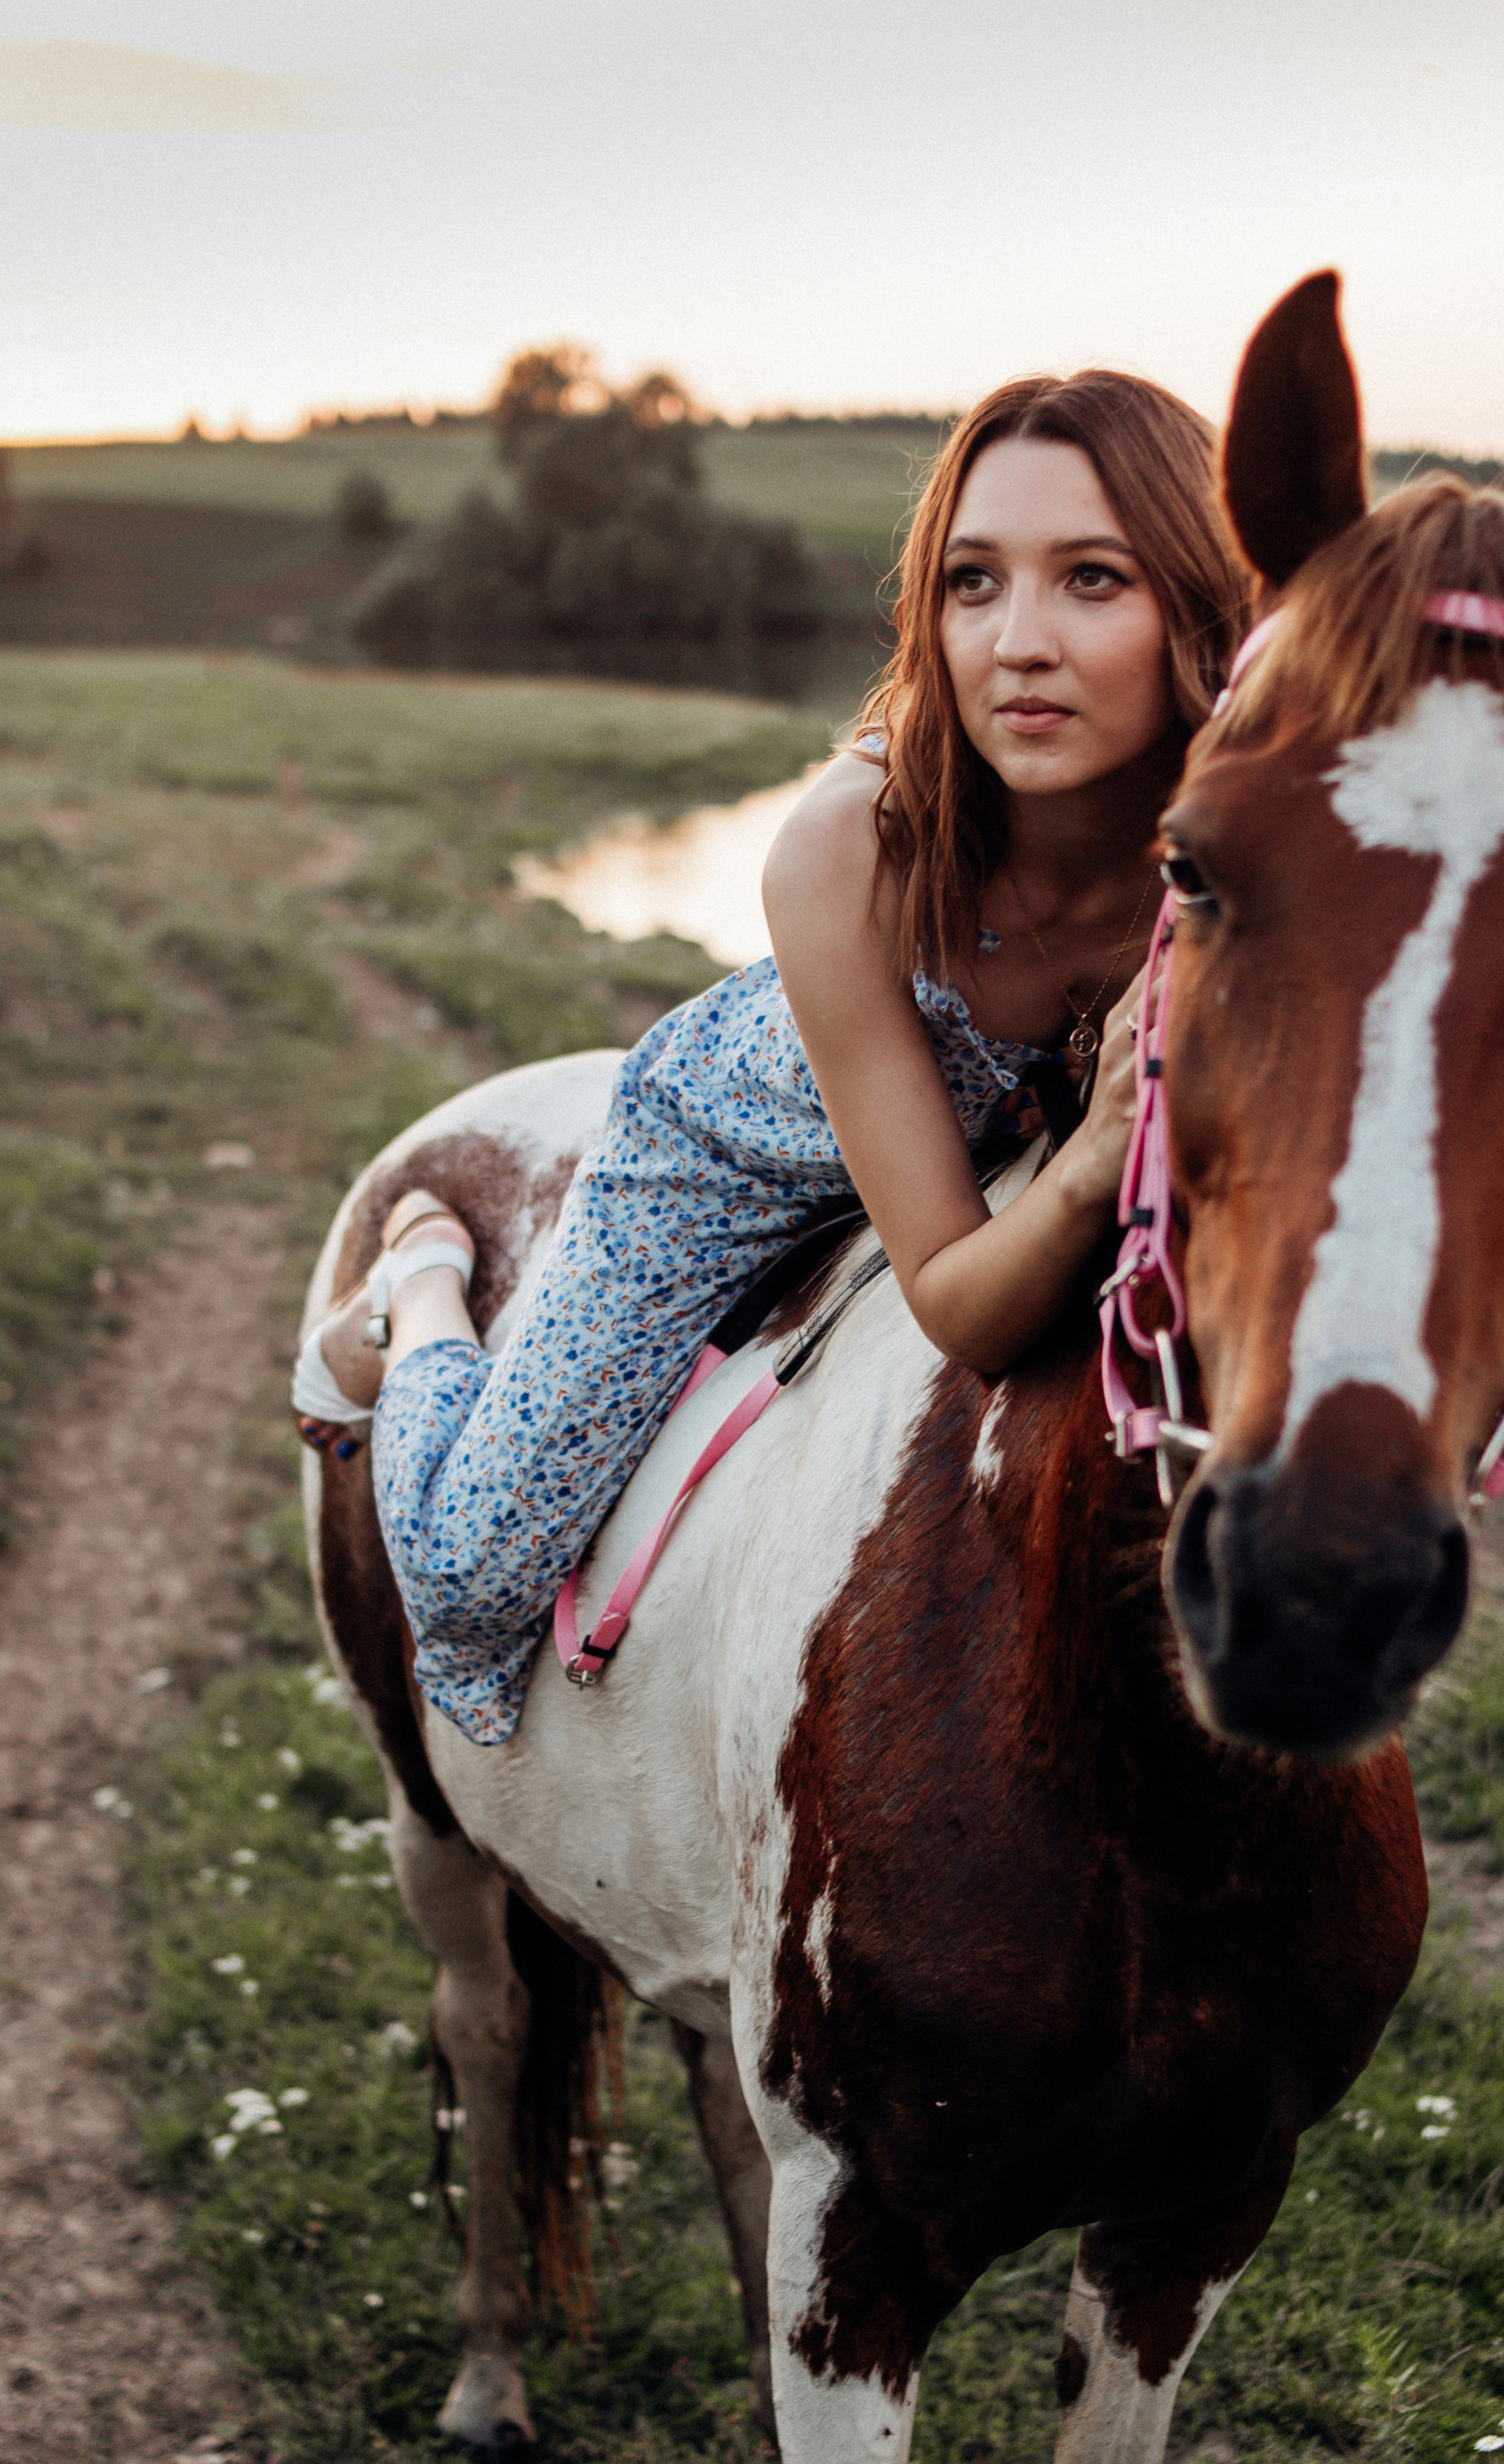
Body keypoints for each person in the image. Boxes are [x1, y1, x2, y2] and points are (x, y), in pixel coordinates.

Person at [293, 370, 1252, 1745]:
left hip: (1003, 1134)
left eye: (1093, 580)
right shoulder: (850, 845)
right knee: (465, 1571)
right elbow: (964, 1307)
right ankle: (418, 1296)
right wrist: (1100, 1150)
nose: (1017, 643)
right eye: (973, 583)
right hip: (732, 1160)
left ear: (1199, 605)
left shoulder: (1230, 833)